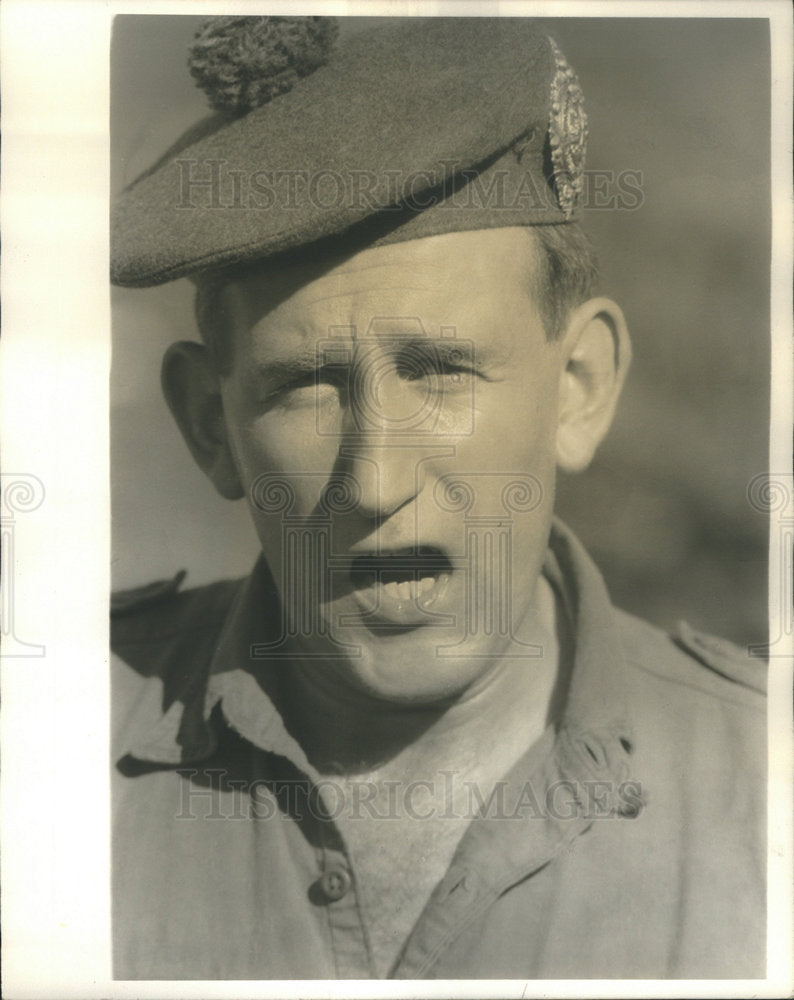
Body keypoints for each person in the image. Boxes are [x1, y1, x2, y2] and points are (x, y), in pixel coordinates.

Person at [110, 15, 766, 980]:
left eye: (441, 370)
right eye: (305, 387)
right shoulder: (45, 756)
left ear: (579, 388)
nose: (377, 481)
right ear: (211, 425)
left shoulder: (763, 790)